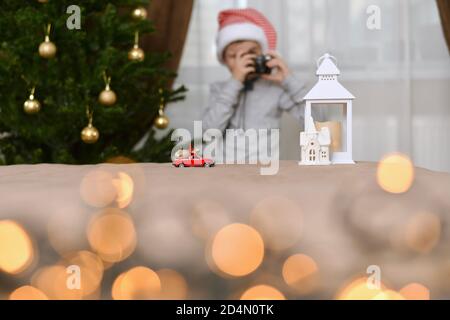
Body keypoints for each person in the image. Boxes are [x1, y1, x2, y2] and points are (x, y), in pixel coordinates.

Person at [202, 8, 324, 163]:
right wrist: (234, 84)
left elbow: (319, 123)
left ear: (264, 54)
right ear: (224, 60)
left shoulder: (274, 90)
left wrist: (289, 79)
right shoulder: (220, 89)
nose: (244, 60)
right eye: (234, 56)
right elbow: (208, 133)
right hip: (224, 170)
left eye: (251, 52)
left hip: (264, 171)